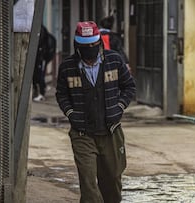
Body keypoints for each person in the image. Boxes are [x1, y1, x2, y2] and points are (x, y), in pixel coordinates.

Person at [55, 21, 136, 202]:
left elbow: (129, 87)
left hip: (111, 132)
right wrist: (71, 114)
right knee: (89, 184)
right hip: (82, 134)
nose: (90, 48)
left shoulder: (114, 60)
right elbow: (62, 95)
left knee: (112, 180)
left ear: (99, 42)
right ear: (77, 45)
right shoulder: (68, 67)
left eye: (93, 44)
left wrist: (119, 107)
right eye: (86, 46)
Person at [33, 25, 56, 102]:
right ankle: (40, 91)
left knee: (40, 75)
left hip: (41, 57)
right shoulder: (39, 29)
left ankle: (41, 94)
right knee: (37, 75)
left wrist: (44, 57)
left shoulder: (41, 30)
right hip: (40, 57)